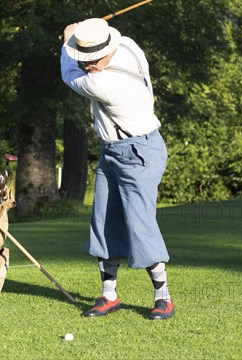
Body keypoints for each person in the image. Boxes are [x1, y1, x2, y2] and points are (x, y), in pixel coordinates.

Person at [60, 18, 173, 320]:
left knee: (139, 223)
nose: (87, 65)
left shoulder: (102, 83)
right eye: (84, 58)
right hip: (111, 151)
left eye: (93, 61)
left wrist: (67, 41)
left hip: (138, 152)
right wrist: (84, 32)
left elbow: (67, 73)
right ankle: (108, 295)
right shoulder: (126, 44)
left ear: (108, 53)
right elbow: (91, 46)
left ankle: (164, 297)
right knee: (104, 221)